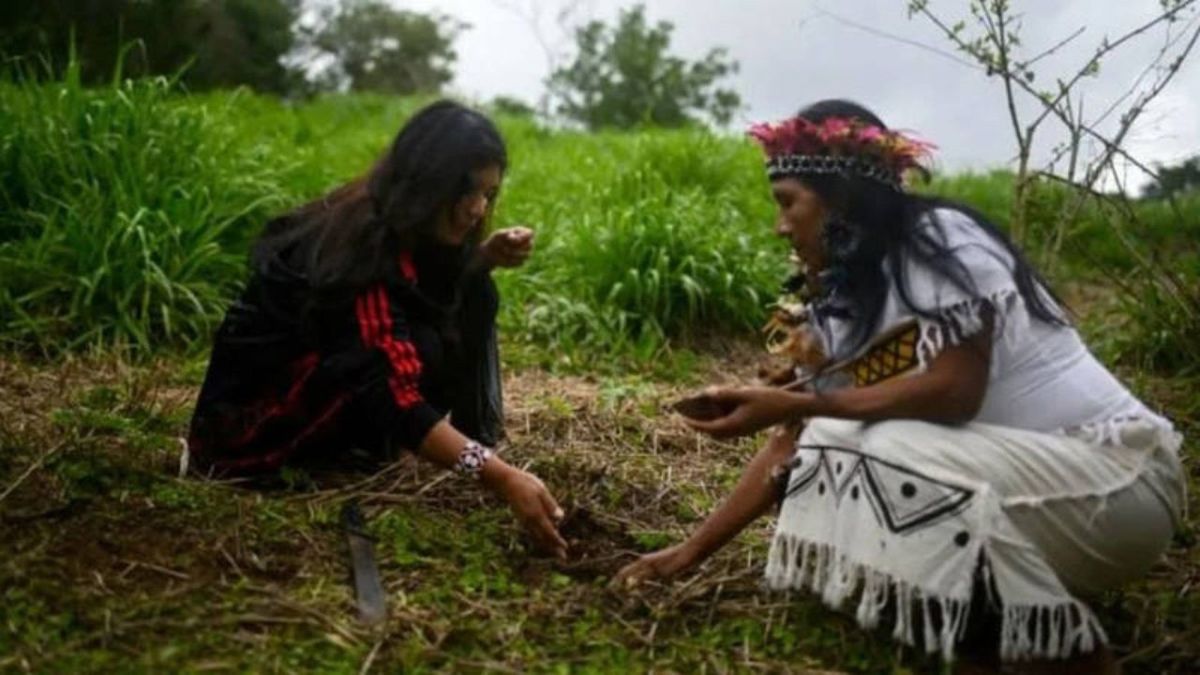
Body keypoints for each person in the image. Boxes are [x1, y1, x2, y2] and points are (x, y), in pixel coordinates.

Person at [616, 99, 1185, 672]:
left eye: (789, 203)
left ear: (842, 198)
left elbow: (955, 391)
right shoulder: (840, 303)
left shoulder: (937, 237)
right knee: (824, 454)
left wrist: (799, 402)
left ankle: (1065, 657)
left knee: (860, 440)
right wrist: (688, 554)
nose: (780, 226)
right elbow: (791, 442)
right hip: (1024, 507)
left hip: (1116, 488)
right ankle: (991, 639)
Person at [187, 99, 567, 559]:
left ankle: (463, 440)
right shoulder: (362, 252)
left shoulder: (401, 225)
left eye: (489, 194)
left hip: (326, 384)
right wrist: (500, 476)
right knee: (417, 352)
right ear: (431, 186)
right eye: (469, 194)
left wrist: (480, 259)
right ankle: (368, 452)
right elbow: (396, 395)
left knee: (476, 293)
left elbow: (422, 291)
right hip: (245, 427)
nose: (478, 208)